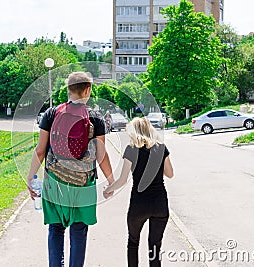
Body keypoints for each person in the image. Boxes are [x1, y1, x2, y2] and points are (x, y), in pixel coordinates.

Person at [26, 71, 115, 267]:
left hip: (54, 181)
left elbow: (40, 151)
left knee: (55, 229)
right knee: (79, 230)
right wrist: (111, 181)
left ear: (68, 89)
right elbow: (102, 155)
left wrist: (30, 177)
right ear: (88, 90)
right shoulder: (95, 117)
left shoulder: (51, 114)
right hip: (83, 184)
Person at [104, 117, 174, 267]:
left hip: (139, 204)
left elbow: (123, 180)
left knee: (133, 242)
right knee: (155, 246)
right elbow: (170, 174)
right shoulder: (161, 148)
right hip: (160, 203)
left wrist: (108, 189)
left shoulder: (131, 149)